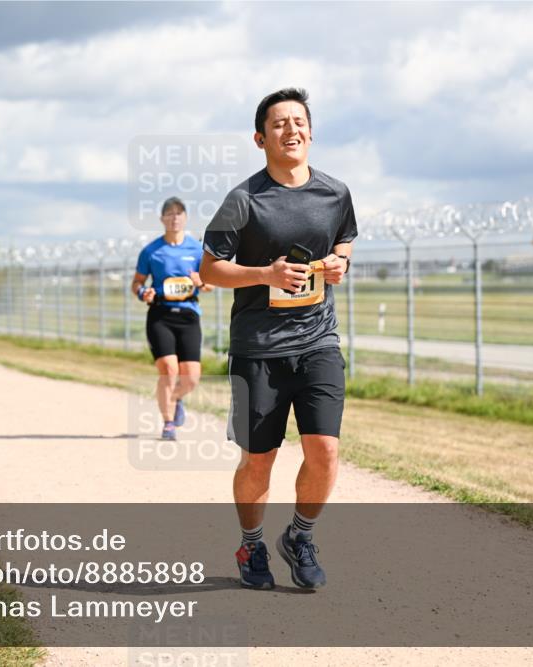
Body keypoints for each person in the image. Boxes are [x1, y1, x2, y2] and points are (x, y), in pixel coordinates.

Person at [200, 88, 357, 590]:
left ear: (311, 131)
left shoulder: (336, 193)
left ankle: (300, 536)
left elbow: (345, 241)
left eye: (299, 122)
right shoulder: (243, 199)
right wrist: (264, 274)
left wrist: (340, 263)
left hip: (318, 343)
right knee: (258, 459)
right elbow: (210, 270)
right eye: (279, 124)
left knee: (325, 451)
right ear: (260, 138)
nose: (291, 130)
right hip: (258, 351)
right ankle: (251, 544)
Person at [130, 197, 214, 441]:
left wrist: (202, 282)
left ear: (185, 218)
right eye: (169, 213)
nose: (174, 217)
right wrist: (142, 293)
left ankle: (175, 400)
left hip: (188, 315)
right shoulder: (151, 251)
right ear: (162, 219)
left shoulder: (197, 250)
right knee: (169, 369)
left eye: (179, 213)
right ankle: (168, 424)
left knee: (191, 377)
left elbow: (209, 284)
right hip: (160, 314)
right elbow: (136, 283)